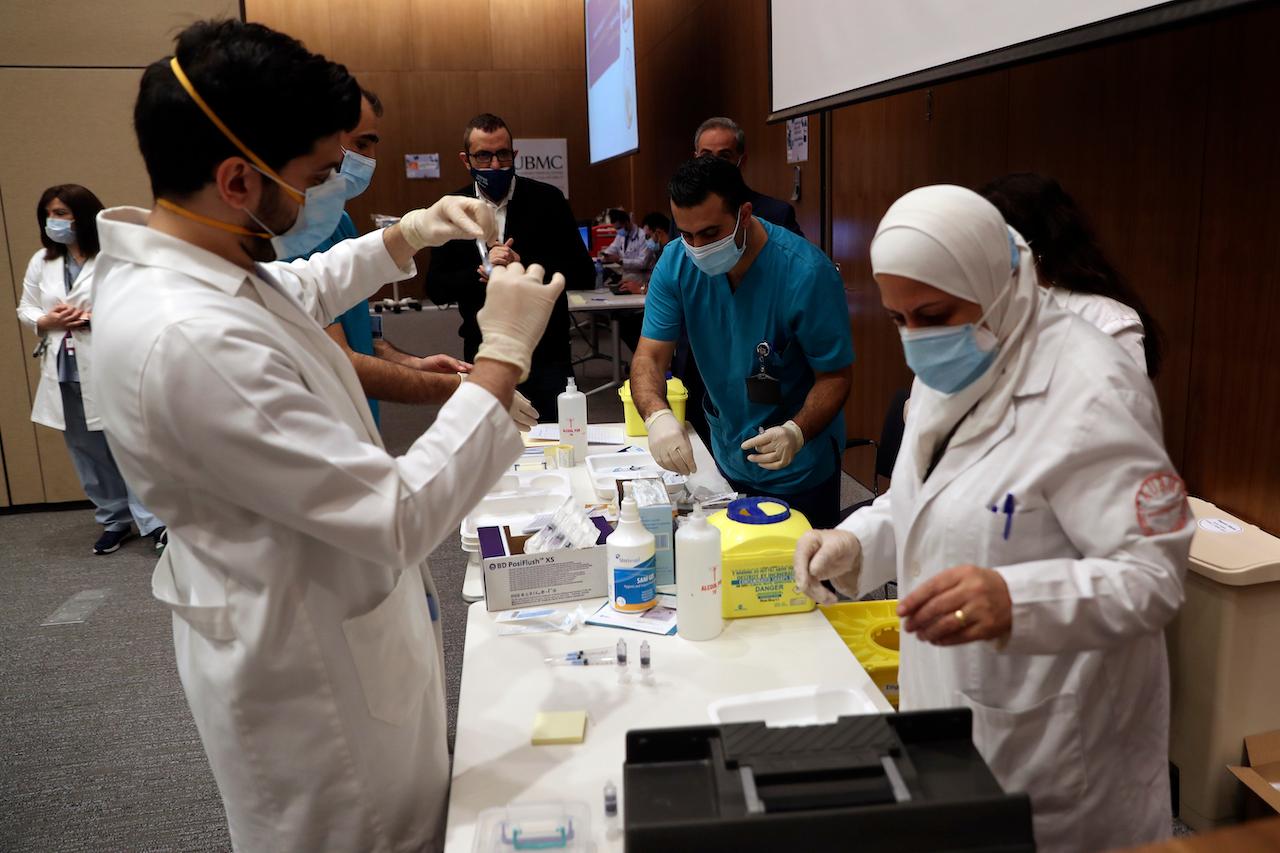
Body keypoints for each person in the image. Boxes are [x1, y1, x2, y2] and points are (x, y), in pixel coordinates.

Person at [90, 21, 564, 851]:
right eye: (314, 176)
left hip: (320, 614)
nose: (325, 192)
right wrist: (503, 354)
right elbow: (395, 515)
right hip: (312, 692)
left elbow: (295, 287)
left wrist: (406, 235)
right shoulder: (190, 336)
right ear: (238, 178)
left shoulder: (201, 262)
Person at [792, 185, 1192, 852]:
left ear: (997, 281)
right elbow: (933, 495)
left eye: (931, 313)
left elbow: (1155, 575)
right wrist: (857, 542)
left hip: (1061, 752)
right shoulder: (961, 356)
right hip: (951, 713)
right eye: (898, 319)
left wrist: (1017, 599)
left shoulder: (1093, 385)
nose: (916, 339)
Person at [289, 89, 537, 430]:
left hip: (357, 419)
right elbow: (337, 356)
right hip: (322, 424)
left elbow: (345, 314)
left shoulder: (337, 220)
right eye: (361, 144)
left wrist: (409, 362)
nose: (370, 157)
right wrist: (470, 387)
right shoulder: (291, 233)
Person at [633, 156, 853, 529]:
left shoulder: (805, 273)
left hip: (799, 466)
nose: (697, 247)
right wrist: (656, 415)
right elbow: (649, 358)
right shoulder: (675, 264)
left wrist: (796, 432)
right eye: (686, 234)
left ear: (744, 214)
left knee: (805, 577)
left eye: (710, 233)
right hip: (726, 455)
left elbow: (835, 376)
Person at [17, 184, 166, 555]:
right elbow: (27, 307)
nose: (55, 221)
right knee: (86, 449)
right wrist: (46, 319)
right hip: (64, 367)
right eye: (50, 214)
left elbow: (142, 303)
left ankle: (155, 522)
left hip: (109, 361)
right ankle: (114, 520)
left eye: (62, 214)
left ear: (83, 216)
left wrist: (96, 317)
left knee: (129, 445)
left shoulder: (115, 257)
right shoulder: (42, 261)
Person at [426, 113, 595, 417]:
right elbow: (436, 287)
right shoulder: (452, 207)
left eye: (502, 154)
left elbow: (583, 272)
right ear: (466, 160)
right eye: (484, 156)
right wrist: (479, 274)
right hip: (482, 351)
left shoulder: (549, 200)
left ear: (514, 154)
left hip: (548, 351)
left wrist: (526, 265)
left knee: (557, 443)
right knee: (489, 444)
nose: (494, 165)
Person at [980, 172, 1162, 376]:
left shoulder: (1107, 321)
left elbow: (1123, 403)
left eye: (999, 245)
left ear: (1035, 248)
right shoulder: (985, 311)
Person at [695, 116, 803, 236]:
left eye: (724, 156)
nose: (713, 163)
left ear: (742, 161)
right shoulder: (685, 211)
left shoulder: (777, 214)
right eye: (706, 156)